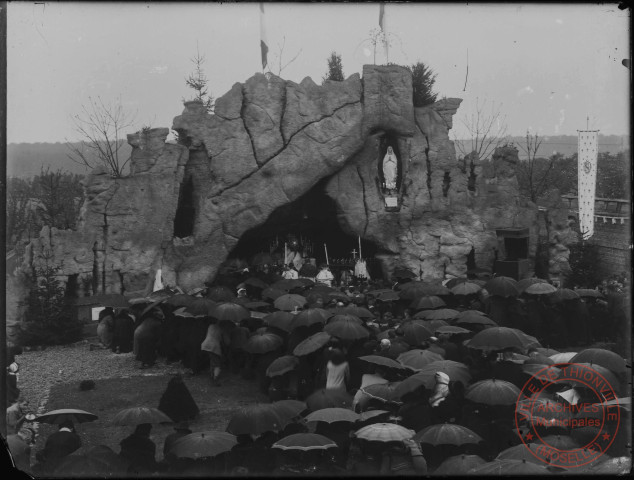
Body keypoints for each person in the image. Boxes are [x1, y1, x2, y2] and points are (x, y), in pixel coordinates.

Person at [200, 320, 225, 386]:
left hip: (206, 344)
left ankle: (212, 375)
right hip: (214, 347)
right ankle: (215, 380)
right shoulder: (222, 329)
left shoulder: (210, 326)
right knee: (217, 364)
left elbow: (207, 335)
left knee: (212, 361)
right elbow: (224, 341)